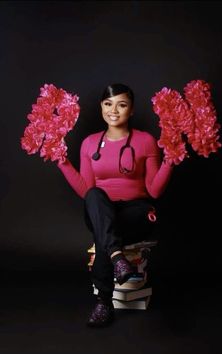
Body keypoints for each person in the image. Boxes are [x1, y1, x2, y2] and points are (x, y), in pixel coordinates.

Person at [57, 83, 173, 327]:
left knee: (105, 236)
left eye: (122, 105)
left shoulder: (146, 141)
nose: (114, 110)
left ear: (131, 110)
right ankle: (118, 257)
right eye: (108, 104)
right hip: (102, 210)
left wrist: (170, 161)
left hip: (136, 212)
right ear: (101, 107)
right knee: (95, 197)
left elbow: (154, 190)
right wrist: (63, 163)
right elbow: (87, 191)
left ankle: (103, 302)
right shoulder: (89, 144)